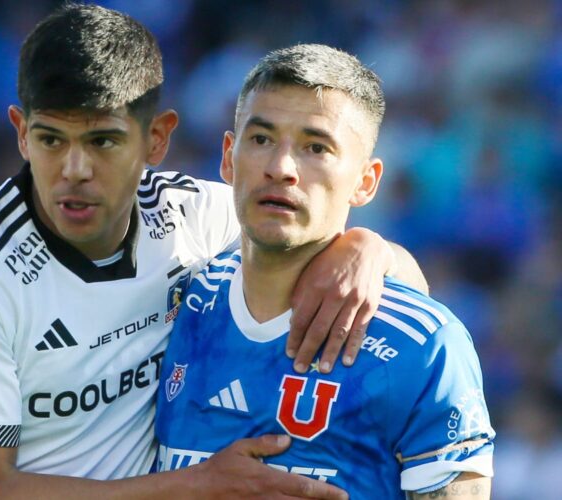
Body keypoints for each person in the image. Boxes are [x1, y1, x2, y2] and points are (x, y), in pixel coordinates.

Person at [0, 5, 428, 499]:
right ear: (20, 133)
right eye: (51, 139)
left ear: (157, 138)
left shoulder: (191, 217)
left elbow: (394, 279)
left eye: (102, 141)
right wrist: (197, 486)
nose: (73, 170)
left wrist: (368, 250)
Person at [155, 44, 495, 499]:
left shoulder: (423, 345)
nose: (281, 168)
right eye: (261, 140)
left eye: (316, 147)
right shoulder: (174, 305)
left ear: (366, 181)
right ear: (228, 157)